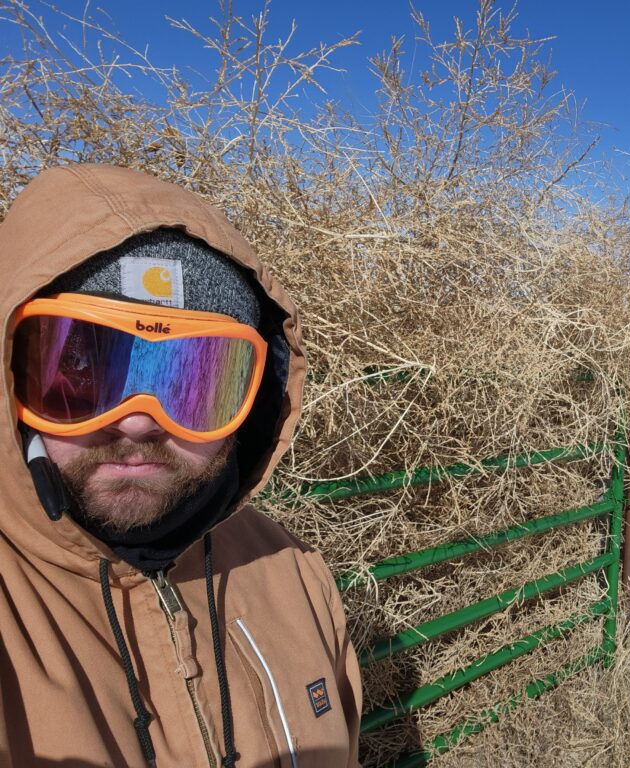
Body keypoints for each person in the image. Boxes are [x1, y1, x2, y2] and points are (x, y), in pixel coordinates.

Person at [0, 164, 362, 767]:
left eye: (196, 379)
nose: (139, 420)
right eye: (80, 372)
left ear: (255, 398)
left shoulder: (293, 573)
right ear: (12, 374)